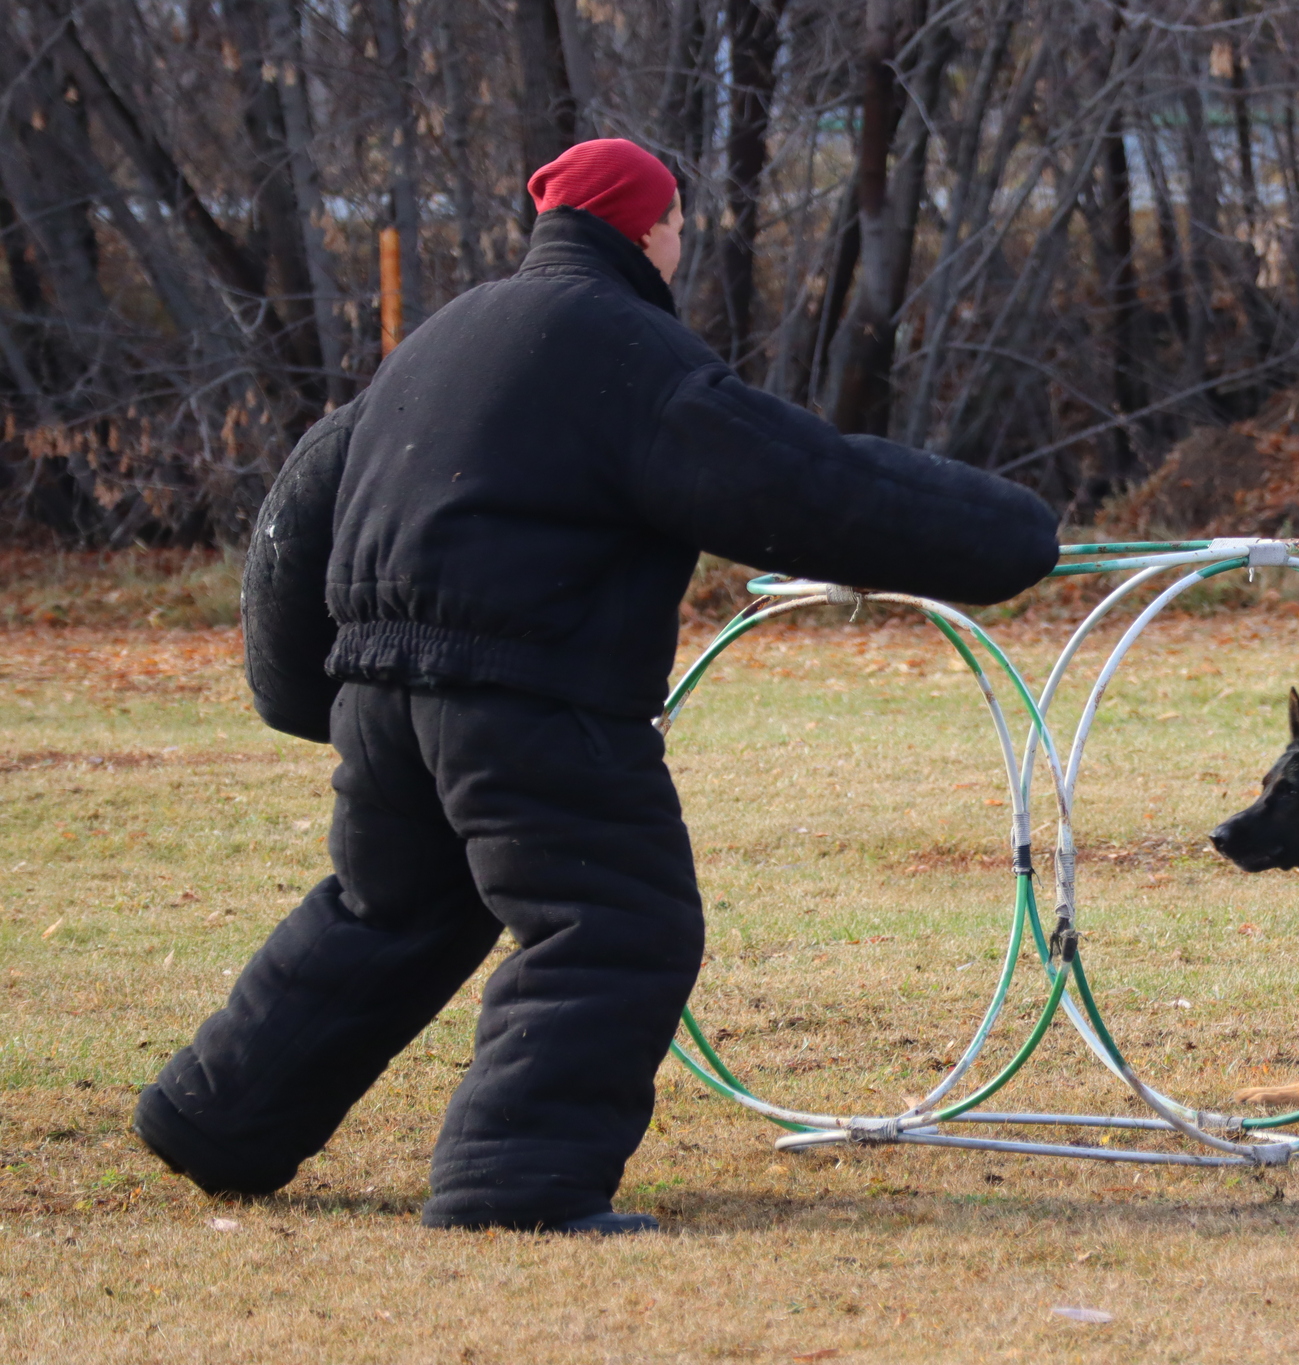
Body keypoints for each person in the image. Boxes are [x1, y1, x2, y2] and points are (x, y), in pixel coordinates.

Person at [134, 139, 1059, 1235]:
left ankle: (214, 1120)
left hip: (383, 701)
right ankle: (516, 1186)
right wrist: (1012, 535)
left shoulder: (445, 335)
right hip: (530, 700)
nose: (679, 243)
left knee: (390, 913)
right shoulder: (627, 352)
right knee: (615, 925)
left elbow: (298, 513)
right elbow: (811, 482)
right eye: (675, 224)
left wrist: (304, 693)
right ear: (648, 228)